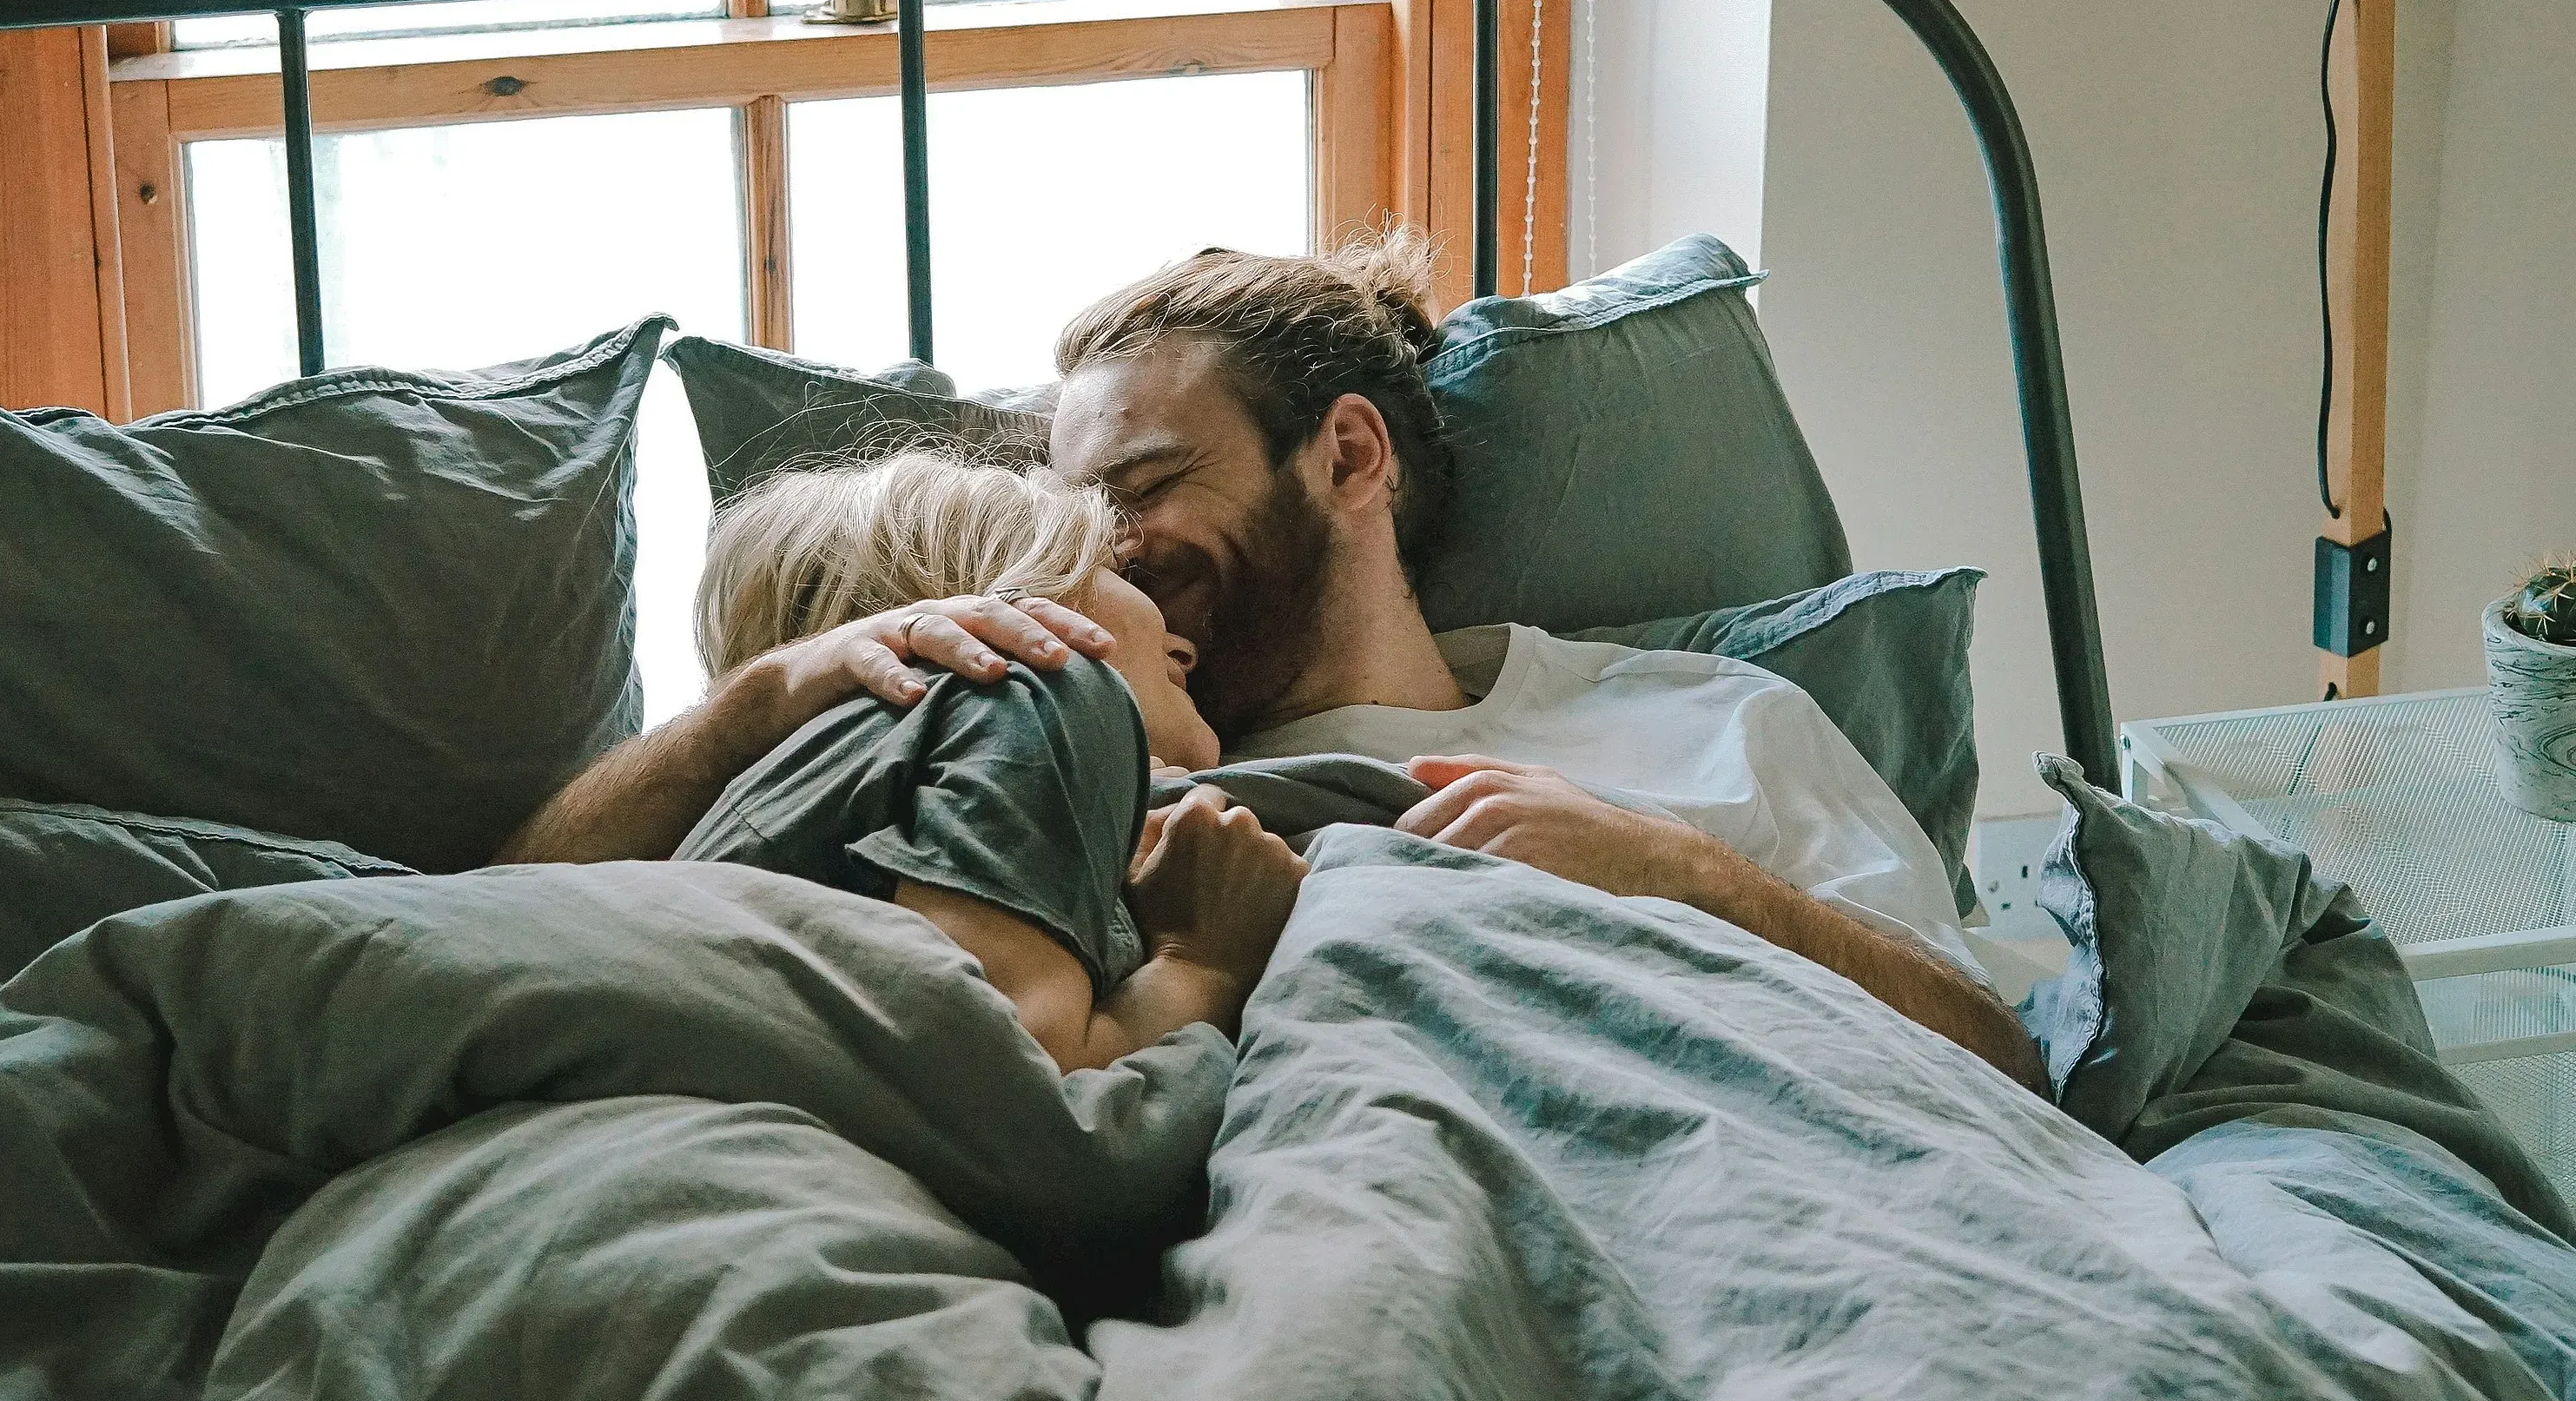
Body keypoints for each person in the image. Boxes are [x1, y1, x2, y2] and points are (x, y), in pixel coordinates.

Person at [505, 235, 2043, 1093]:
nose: (1104, 547)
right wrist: (767, 698)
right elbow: (532, 914)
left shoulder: (1705, 726)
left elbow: (2007, 1063)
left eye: (1145, 487)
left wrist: (1694, 880)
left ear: (1348, 455)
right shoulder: (1052, 738)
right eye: (1070, 516)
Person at [654, 448, 1303, 1078]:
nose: (1181, 640)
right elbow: (1026, 1093)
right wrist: (1202, 966)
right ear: (998, 600)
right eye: (1120, 574)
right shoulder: (1026, 694)